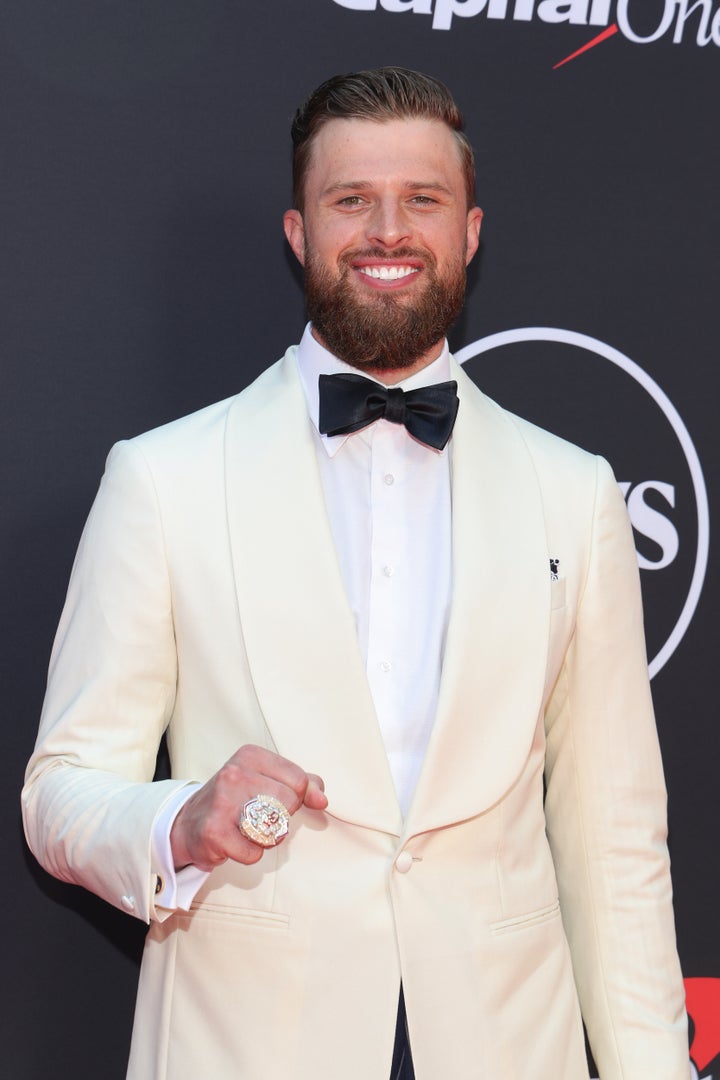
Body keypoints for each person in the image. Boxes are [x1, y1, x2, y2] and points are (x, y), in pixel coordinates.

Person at [22, 67, 688, 1079]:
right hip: (247, 1044)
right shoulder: (164, 479)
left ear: (469, 233)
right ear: (299, 231)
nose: (388, 231)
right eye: (351, 201)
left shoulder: (573, 489)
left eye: (422, 200)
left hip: (507, 1045)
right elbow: (62, 793)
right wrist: (179, 820)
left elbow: (612, 843)